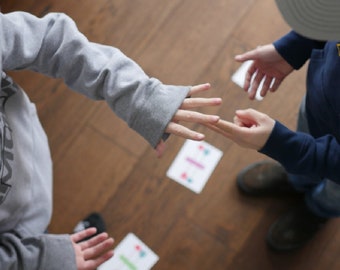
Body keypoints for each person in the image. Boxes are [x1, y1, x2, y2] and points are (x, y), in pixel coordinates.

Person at [0, 11, 222, 270]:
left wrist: (136, 96)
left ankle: (61, 244)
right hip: (14, 249)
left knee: (53, 241)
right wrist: (41, 260)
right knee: (54, 252)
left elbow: (48, 40)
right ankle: (58, 248)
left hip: (29, 161)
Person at [210, 0, 340, 252]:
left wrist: (286, 147)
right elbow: (331, 23)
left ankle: (318, 209)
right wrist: (293, 47)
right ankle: (298, 180)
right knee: (304, 142)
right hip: (317, 109)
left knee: (335, 193)